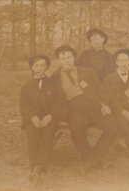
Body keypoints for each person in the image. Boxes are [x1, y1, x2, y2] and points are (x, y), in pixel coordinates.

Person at [51, 44, 118, 174]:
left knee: (113, 127)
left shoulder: (87, 71)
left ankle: (95, 158)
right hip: (74, 110)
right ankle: (88, 158)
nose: (67, 60)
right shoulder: (54, 77)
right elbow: (55, 100)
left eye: (69, 57)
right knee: (76, 129)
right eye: (63, 58)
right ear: (59, 60)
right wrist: (66, 113)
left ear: (74, 58)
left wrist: (104, 104)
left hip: (94, 107)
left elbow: (100, 89)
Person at [19, 55, 58, 184]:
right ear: (32, 67)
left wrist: (50, 116)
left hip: (49, 118)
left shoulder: (53, 84)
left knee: (47, 135)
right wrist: (32, 117)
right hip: (32, 118)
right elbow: (23, 106)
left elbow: (60, 103)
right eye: (36, 65)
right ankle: (34, 167)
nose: (40, 68)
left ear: (46, 67)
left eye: (42, 65)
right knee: (32, 135)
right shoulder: (26, 86)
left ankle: (40, 167)